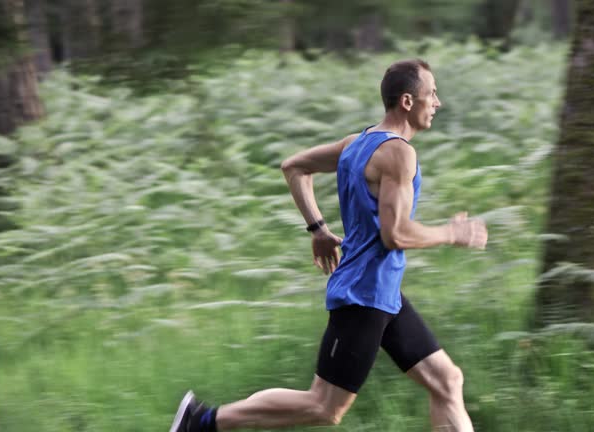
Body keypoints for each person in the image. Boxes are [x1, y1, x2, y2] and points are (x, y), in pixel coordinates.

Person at [170, 59, 488, 432]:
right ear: (407, 101)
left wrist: (318, 229)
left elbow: (294, 167)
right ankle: (201, 421)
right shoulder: (399, 153)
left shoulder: (357, 143)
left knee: (447, 381)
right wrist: (453, 233)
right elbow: (396, 234)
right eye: (431, 94)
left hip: (383, 292)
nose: (438, 102)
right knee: (324, 406)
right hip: (363, 296)